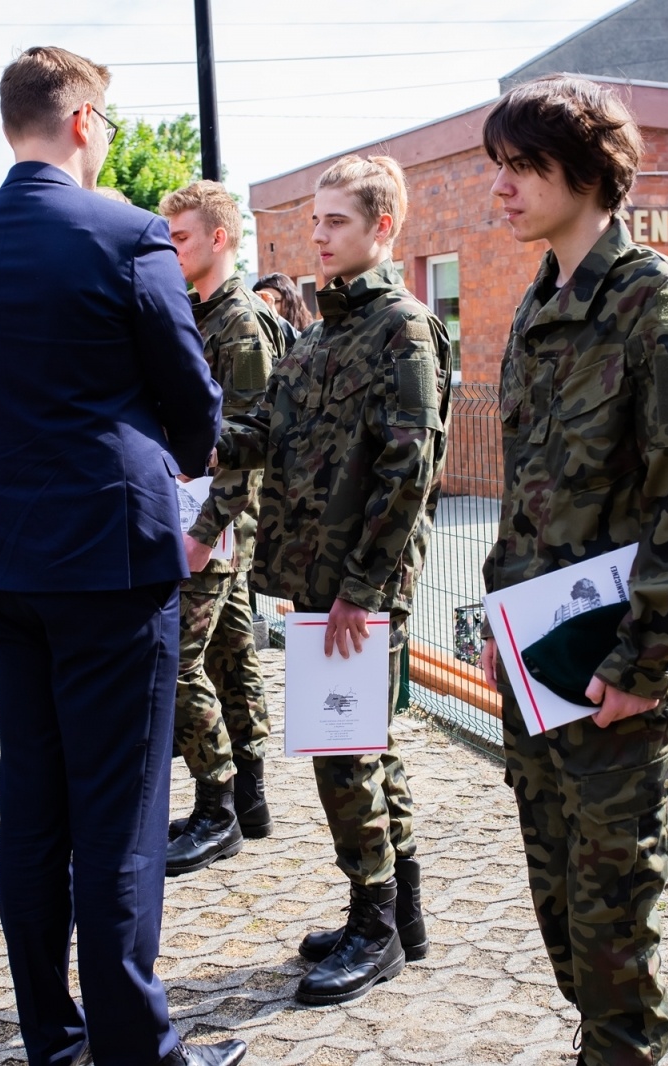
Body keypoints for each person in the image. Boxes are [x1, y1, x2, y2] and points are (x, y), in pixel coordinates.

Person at [0, 46, 240, 1066]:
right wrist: (168, 442)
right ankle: (138, 1050)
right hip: (112, 557)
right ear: (84, 119)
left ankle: (54, 1039)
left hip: (3, 555)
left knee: (33, 804)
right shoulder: (126, 234)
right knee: (120, 813)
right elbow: (193, 403)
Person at [477, 78, 668, 1065]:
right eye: (497, 167)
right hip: (542, 670)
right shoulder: (540, 301)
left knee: (615, 944)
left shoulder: (650, 300)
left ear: (585, 172)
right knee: (565, 928)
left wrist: (642, 663)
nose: (499, 188)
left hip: (613, 682)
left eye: (520, 166)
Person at [216, 154, 451, 1006]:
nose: (317, 236)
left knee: (344, 753)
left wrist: (362, 586)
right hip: (319, 581)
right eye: (313, 221)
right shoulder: (319, 332)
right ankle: (397, 915)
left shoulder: (405, 331)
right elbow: (267, 430)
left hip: (358, 588)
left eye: (337, 222)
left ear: (382, 228)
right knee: (364, 750)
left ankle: (376, 924)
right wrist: (193, 436)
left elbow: (410, 469)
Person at [157, 180, 282, 877]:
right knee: (232, 652)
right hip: (208, 515)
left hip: (220, 518)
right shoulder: (202, 314)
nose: (170, 249)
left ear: (219, 239)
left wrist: (206, 531)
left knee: (176, 662)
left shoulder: (240, 322)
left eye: (180, 238)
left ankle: (218, 805)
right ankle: (250, 799)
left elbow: (247, 444)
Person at [252, 272, 310, 349]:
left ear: (291, 302)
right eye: (261, 302)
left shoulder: (313, 330)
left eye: (276, 301)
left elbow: (305, 347)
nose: (267, 306)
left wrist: (275, 317)